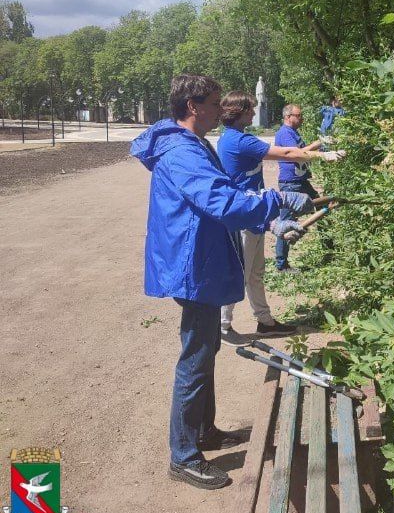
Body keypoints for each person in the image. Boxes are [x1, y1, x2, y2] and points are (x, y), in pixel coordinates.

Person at [130, 75, 313, 491]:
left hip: (199, 257)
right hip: (192, 264)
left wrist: (268, 217)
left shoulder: (193, 145)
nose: (220, 110)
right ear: (193, 106)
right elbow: (221, 202)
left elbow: (224, 192)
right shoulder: (182, 150)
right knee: (195, 356)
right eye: (213, 103)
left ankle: (204, 432)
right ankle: (184, 455)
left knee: (207, 346)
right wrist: (278, 200)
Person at [217, 91, 345, 339]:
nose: (254, 113)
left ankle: (264, 322)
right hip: (243, 217)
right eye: (250, 110)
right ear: (239, 112)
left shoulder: (236, 138)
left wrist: (269, 220)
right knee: (240, 274)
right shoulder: (237, 141)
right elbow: (286, 154)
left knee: (255, 273)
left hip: (253, 215)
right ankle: (221, 326)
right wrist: (323, 154)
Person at [274, 103, 343, 271]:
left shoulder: (293, 132)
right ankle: (281, 265)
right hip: (291, 185)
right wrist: (320, 143)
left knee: (323, 209)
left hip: (301, 182)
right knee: (286, 222)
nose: (301, 118)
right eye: (298, 115)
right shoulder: (284, 133)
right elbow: (299, 154)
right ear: (288, 117)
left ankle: (330, 251)